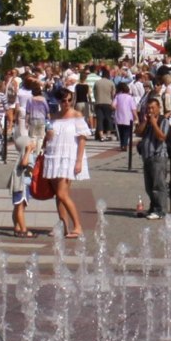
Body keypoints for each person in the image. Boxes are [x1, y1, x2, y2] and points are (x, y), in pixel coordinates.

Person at [40, 90, 90, 238]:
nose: (67, 103)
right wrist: (46, 138)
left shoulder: (77, 116)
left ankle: (78, 225)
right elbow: (47, 137)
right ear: (58, 101)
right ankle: (63, 225)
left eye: (69, 100)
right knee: (59, 195)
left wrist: (79, 161)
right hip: (53, 155)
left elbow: (82, 139)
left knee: (62, 193)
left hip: (69, 156)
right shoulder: (53, 117)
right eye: (63, 101)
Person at [135, 98, 171, 220]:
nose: (150, 110)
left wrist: (154, 123)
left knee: (158, 185)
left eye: (152, 108)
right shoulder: (147, 121)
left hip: (158, 156)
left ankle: (160, 210)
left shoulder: (163, 121)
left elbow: (162, 137)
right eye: (148, 108)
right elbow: (138, 132)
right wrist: (145, 122)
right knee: (149, 186)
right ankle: (153, 207)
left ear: (158, 108)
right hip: (147, 156)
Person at [113, 80, 138, 166]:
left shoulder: (117, 96)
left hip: (119, 116)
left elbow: (113, 105)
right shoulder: (130, 97)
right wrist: (136, 117)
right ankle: (125, 145)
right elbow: (133, 109)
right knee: (127, 132)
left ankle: (122, 144)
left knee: (121, 131)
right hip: (128, 117)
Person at [91, 68, 117, 143]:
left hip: (98, 102)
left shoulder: (97, 82)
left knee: (99, 119)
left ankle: (101, 135)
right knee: (108, 118)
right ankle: (108, 134)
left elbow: (94, 93)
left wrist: (96, 99)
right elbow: (113, 94)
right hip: (108, 102)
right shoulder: (111, 83)